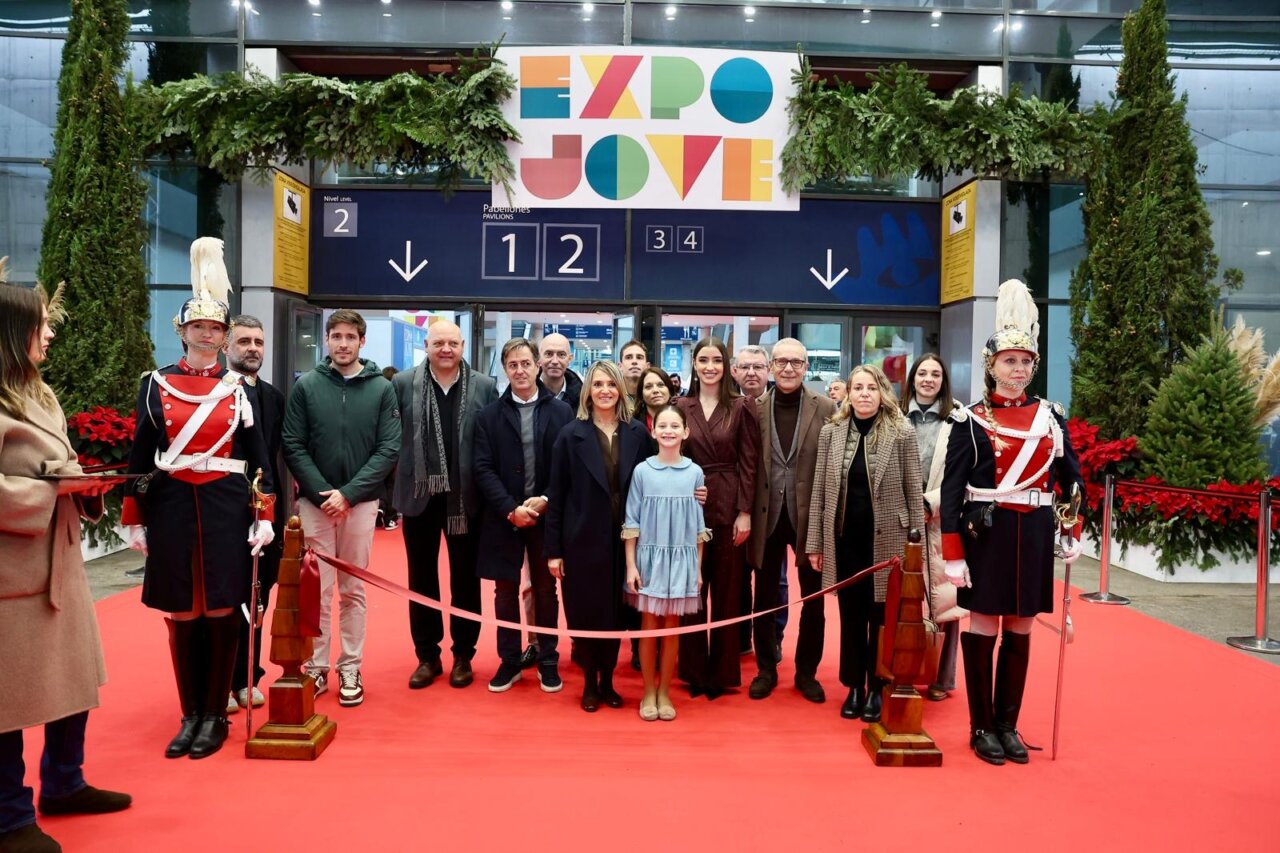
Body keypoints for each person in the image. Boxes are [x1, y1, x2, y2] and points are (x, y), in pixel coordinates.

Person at [122, 237, 276, 760]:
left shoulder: (239, 389)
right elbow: (141, 455)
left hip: (226, 504)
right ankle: (189, 715)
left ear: (225, 334)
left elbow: (259, 460)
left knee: (221, 609)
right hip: (170, 507)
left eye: (215, 327)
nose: (207, 334)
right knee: (182, 612)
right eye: (197, 327)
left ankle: (215, 716)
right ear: (181, 331)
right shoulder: (154, 384)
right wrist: (134, 515)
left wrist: (265, 515)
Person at [0, 280, 131, 853]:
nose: (50, 334)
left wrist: (83, 480)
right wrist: (51, 491)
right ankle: (8, 818)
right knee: (7, 699)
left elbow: (61, 462)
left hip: (59, 561)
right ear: (11, 332)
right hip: (12, 572)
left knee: (72, 679)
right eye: (41, 325)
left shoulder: (39, 391)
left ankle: (64, 782)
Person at [940, 280, 1084, 766]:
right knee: (983, 626)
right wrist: (954, 555)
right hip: (988, 535)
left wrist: (1071, 529)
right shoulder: (971, 421)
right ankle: (981, 726)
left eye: (1026, 362)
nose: (1018, 369)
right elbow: (950, 493)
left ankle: (1008, 723)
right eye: (1009, 361)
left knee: (1021, 628)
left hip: (1035, 535)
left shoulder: (1051, 419)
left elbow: (1073, 482)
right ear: (991, 366)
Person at [283, 309, 400, 708]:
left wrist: (348, 494)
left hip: (360, 504)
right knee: (318, 588)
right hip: (316, 505)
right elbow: (292, 444)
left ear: (362, 342)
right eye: (337, 336)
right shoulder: (307, 386)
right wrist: (321, 493)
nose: (344, 343)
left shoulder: (381, 390)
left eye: (351, 336)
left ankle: (350, 665)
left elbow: (388, 448)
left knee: (353, 590)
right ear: (327, 340)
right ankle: (315, 667)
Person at [806, 364, 924, 722]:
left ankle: (877, 687)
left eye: (871, 387)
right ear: (848, 393)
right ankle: (853, 686)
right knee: (851, 616)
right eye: (857, 387)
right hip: (845, 540)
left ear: (882, 391)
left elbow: (913, 492)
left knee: (881, 618)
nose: (863, 394)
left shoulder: (901, 432)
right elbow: (819, 493)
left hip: (888, 543)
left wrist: (915, 550)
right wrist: (816, 543)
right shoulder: (832, 433)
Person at [394, 320, 497, 689]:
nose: (446, 350)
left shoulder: (485, 386)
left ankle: (463, 655)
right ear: (426, 344)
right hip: (419, 497)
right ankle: (427, 655)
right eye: (439, 343)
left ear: (463, 345)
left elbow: (491, 442)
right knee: (421, 580)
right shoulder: (403, 383)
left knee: (466, 581)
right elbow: (394, 440)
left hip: (465, 499)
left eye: (452, 343)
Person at [546, 361, 651, 712]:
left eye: (611, 384)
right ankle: (590, 681)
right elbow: (556, 495)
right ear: (588, 391)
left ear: (621, 389)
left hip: (626, 542)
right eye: (598, 384)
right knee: (585, 611)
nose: (604, 390)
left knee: (616, 614)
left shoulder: (637, 433)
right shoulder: (570, 435)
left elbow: (657, 476)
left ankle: (608, 680)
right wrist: (554, 551)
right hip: (582, 541)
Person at [473, 338, 574, 693]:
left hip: (547, 516)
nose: (520, 370)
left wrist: (545, 499)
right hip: (505, 518)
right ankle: (509, 660)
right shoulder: (487, 416)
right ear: (505, 369)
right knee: (505, 591)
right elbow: (482, 468)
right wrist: (509, 509)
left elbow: (566, 467)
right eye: (512, 364)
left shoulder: (562, 413)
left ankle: (548, 659)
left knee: (546, 590)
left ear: (537, 366)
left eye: (525, 363)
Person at [746, 339, 836, 702]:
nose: (787, 368)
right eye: (781, 362)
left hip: (808, 517)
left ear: (806, 366)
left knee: (813, 600)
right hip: (765, 516)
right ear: (770, 366)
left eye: (796, 362)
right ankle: (766, 669)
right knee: (764, 598)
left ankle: (806, 673)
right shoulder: (753, 407)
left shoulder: (828, 407)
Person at [676, 337, 760, 699]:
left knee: (727, 593)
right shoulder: (681, 405)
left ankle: (723, 673)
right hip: (689, 507)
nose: (710, 366)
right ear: (693, 364)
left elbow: (749, 463)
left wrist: (745, 512)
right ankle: (694, 671)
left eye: (717, 360)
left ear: (727, 367)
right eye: (703, 359)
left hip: (728, 508)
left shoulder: (741, 406)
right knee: (692, 592)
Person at [623, 405, 709, 722]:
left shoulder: (695, 473)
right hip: (649, 558)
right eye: (663, 425)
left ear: (686, 432)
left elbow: (699, 527)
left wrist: (698, 568)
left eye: (676, 425)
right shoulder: (643, 471)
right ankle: (648, 689)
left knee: (672, 629)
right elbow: (631, 521)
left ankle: (664, 692)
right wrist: (632, 566)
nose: (669, 430)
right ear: (653, 431)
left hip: (683, 559)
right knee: (648, 628)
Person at [225, 315, 287, 715]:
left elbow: (276, 453)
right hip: (222, 508)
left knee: (259, 596)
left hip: (266, 508)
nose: (252, 348)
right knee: (226, 599)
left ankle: (249, 678)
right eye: (244, 340)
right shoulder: (212, 393)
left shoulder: (274, 397)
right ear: (227, 346)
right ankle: (221, 682)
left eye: (259, 342)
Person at [900, 354, 966, 703]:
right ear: (912, 379)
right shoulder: (894, 414)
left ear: (943, 380)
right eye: (922, 373)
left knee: (945, 599)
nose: (928, 379)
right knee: (903, 599)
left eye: (935, 374)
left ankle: (943, 677)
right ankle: (903, 670)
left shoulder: (957, 420)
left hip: (941, 518)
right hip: (901, 519)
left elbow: (961, 474)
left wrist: (931, 503)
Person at [732, 344, 770, 656]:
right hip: (738, 502)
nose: (751, 372)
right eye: (745, 367)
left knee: (775, 578)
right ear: (734, 371)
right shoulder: (729, 405)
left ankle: (773, 639)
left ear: (767, 370)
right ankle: (741, 637)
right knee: (738, 575)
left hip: (774, 506)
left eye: (758, 366)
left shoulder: (775, 404)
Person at [378, 365, 401, 531]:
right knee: (392, 481)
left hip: (378, 446)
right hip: (395, 445)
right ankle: (390, 517)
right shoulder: (397, 398)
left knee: (380, 479)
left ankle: (380, 506)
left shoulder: (379, 396)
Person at [537, 332, 582, 409]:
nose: (555, 361)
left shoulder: (583, 399)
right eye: (549, 354)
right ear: (539, 357)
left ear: (570, 359)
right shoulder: (524, 393)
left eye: (561, 354)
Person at [633, 365, 675, 433]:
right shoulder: (631, 425)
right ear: (641, 394)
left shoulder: (684, 419)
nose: (655, 390)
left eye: (661, 385)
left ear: (669, 390)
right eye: (648, 387)